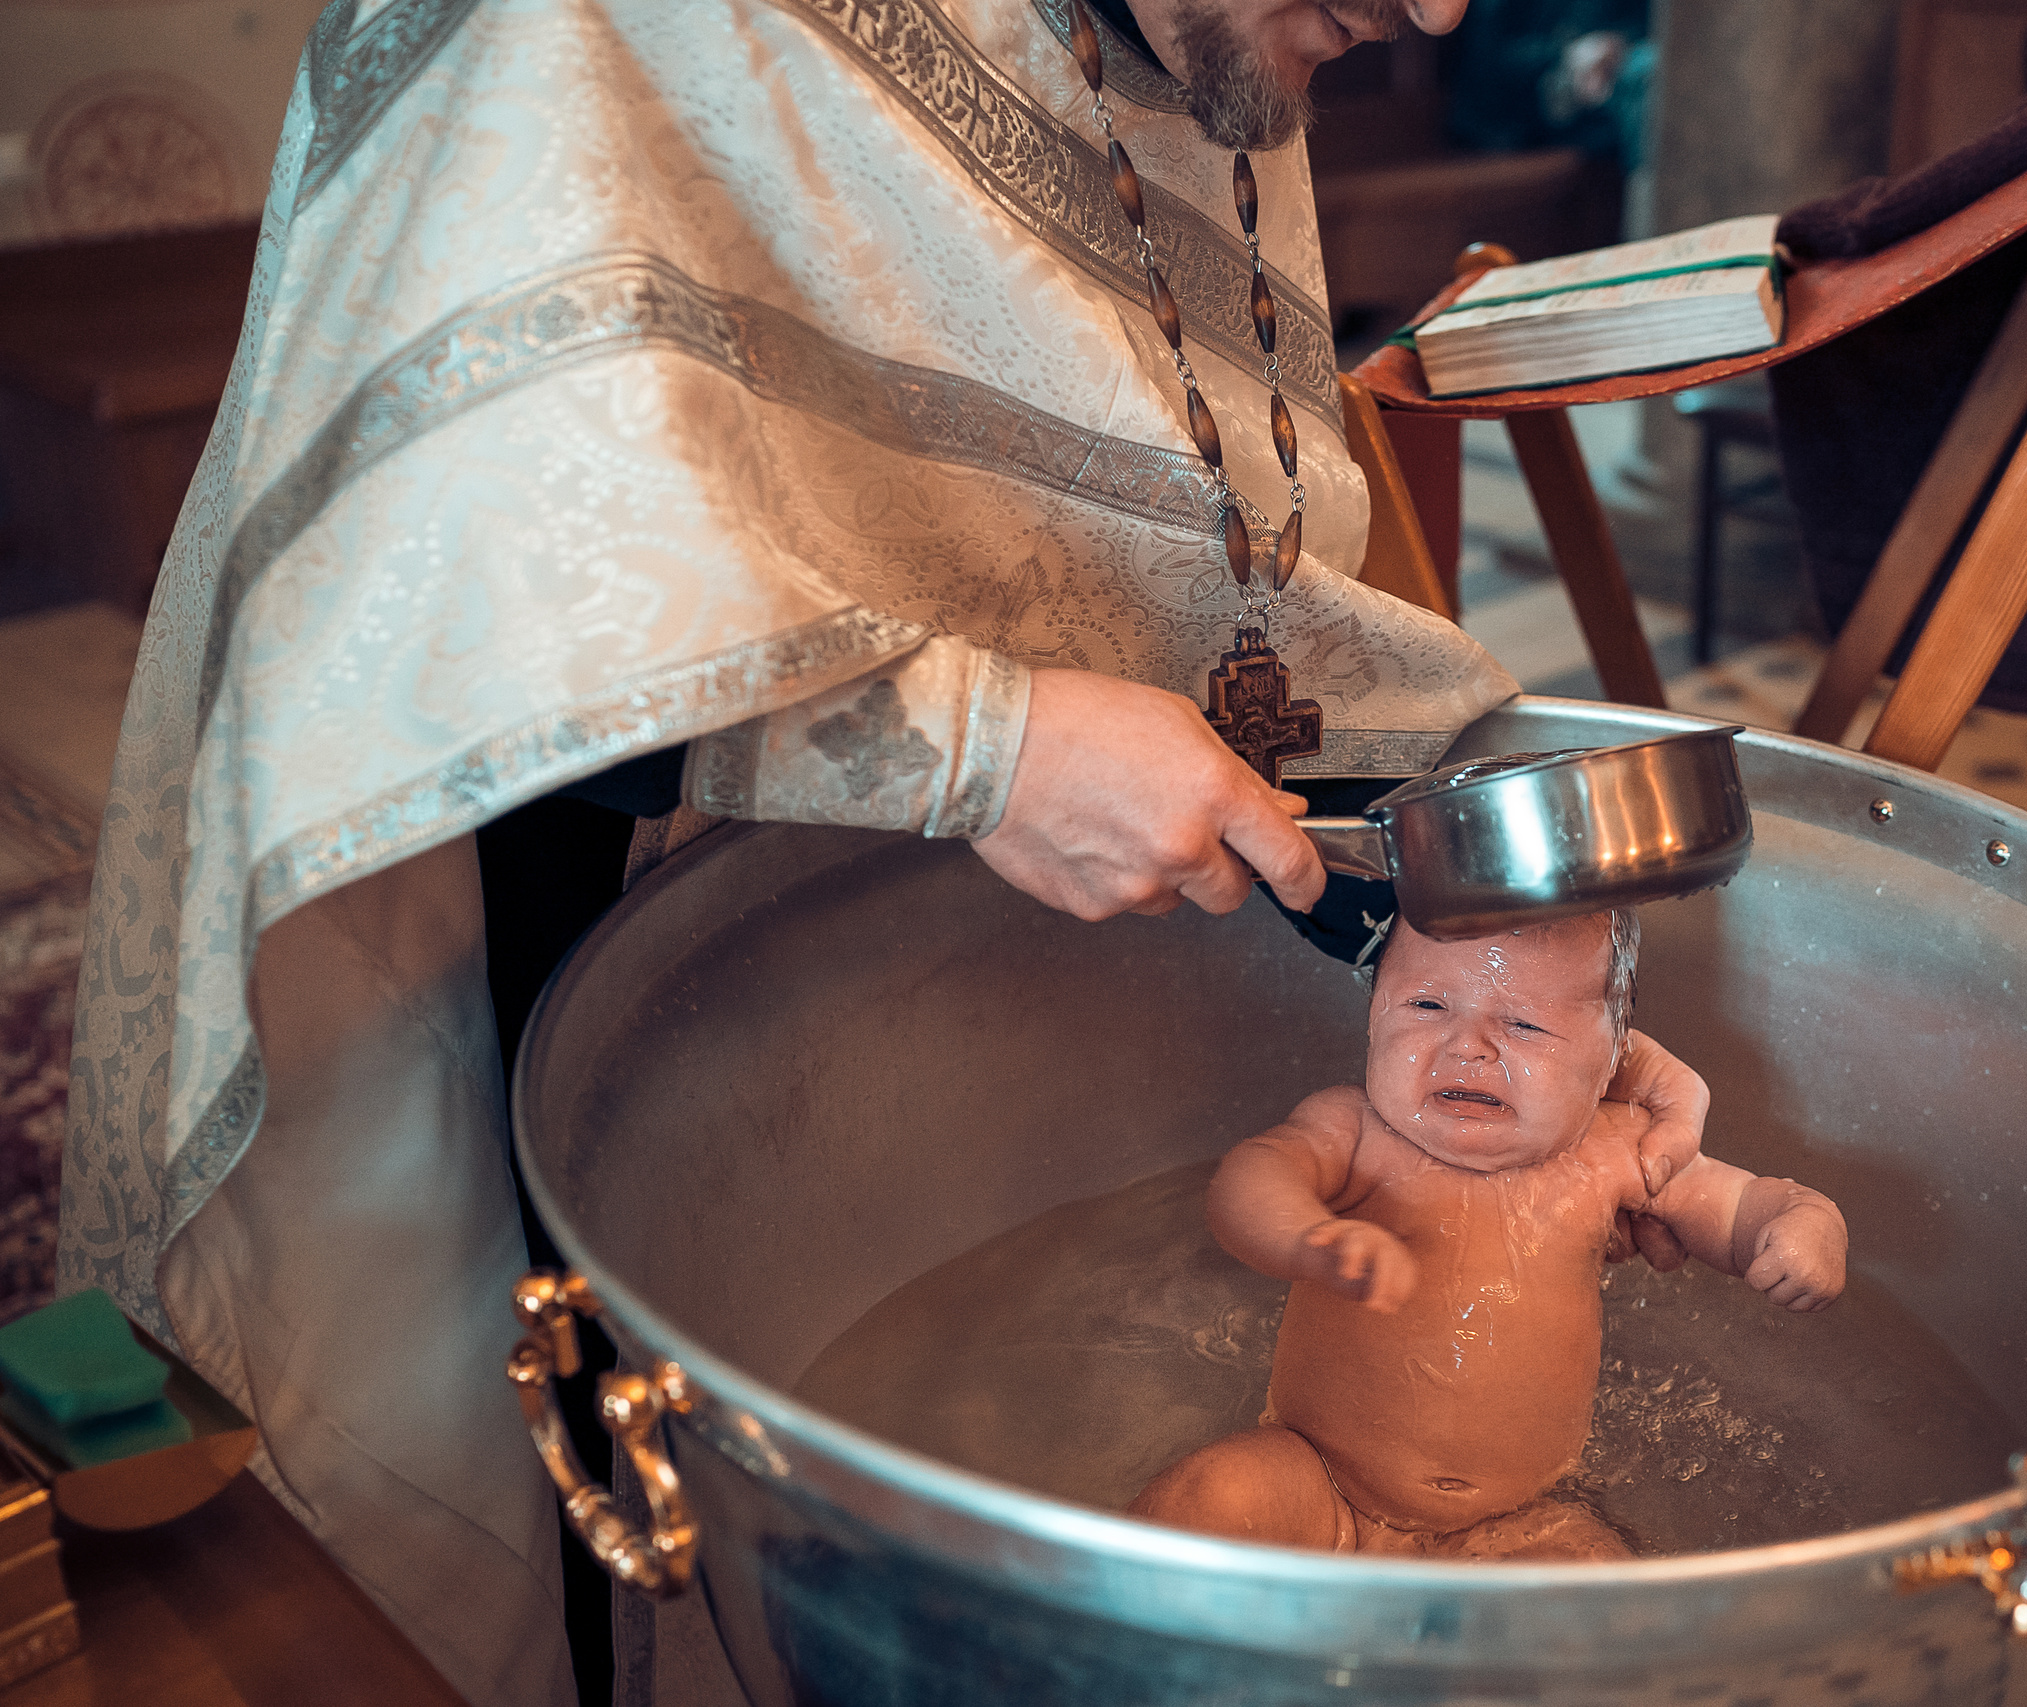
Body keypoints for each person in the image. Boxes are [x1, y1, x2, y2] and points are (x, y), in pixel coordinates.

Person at [58, 0, 1718, 1700]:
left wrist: (1492, 964)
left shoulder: (1221, 33)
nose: (1439, 11)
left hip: (888, 951)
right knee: (542, 1481)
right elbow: (458, 586)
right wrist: (978, 749)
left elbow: (1164, 548)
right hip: (535, 910)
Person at [1129, 911, 1846, 1558]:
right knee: (1208, 1497)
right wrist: (1305, 1236)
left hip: (1514, 1521)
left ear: (1612, 1060)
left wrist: (1802, 1225)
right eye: (1427, 1004)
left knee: (1591, 1590)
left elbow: (1744, 1203)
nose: (1466, 1045)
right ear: (1374, 1017)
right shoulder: (1355, 1132)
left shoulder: (1618, 1148)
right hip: (1320, 1482)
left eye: (1524, 1025)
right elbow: (1252, 1178)